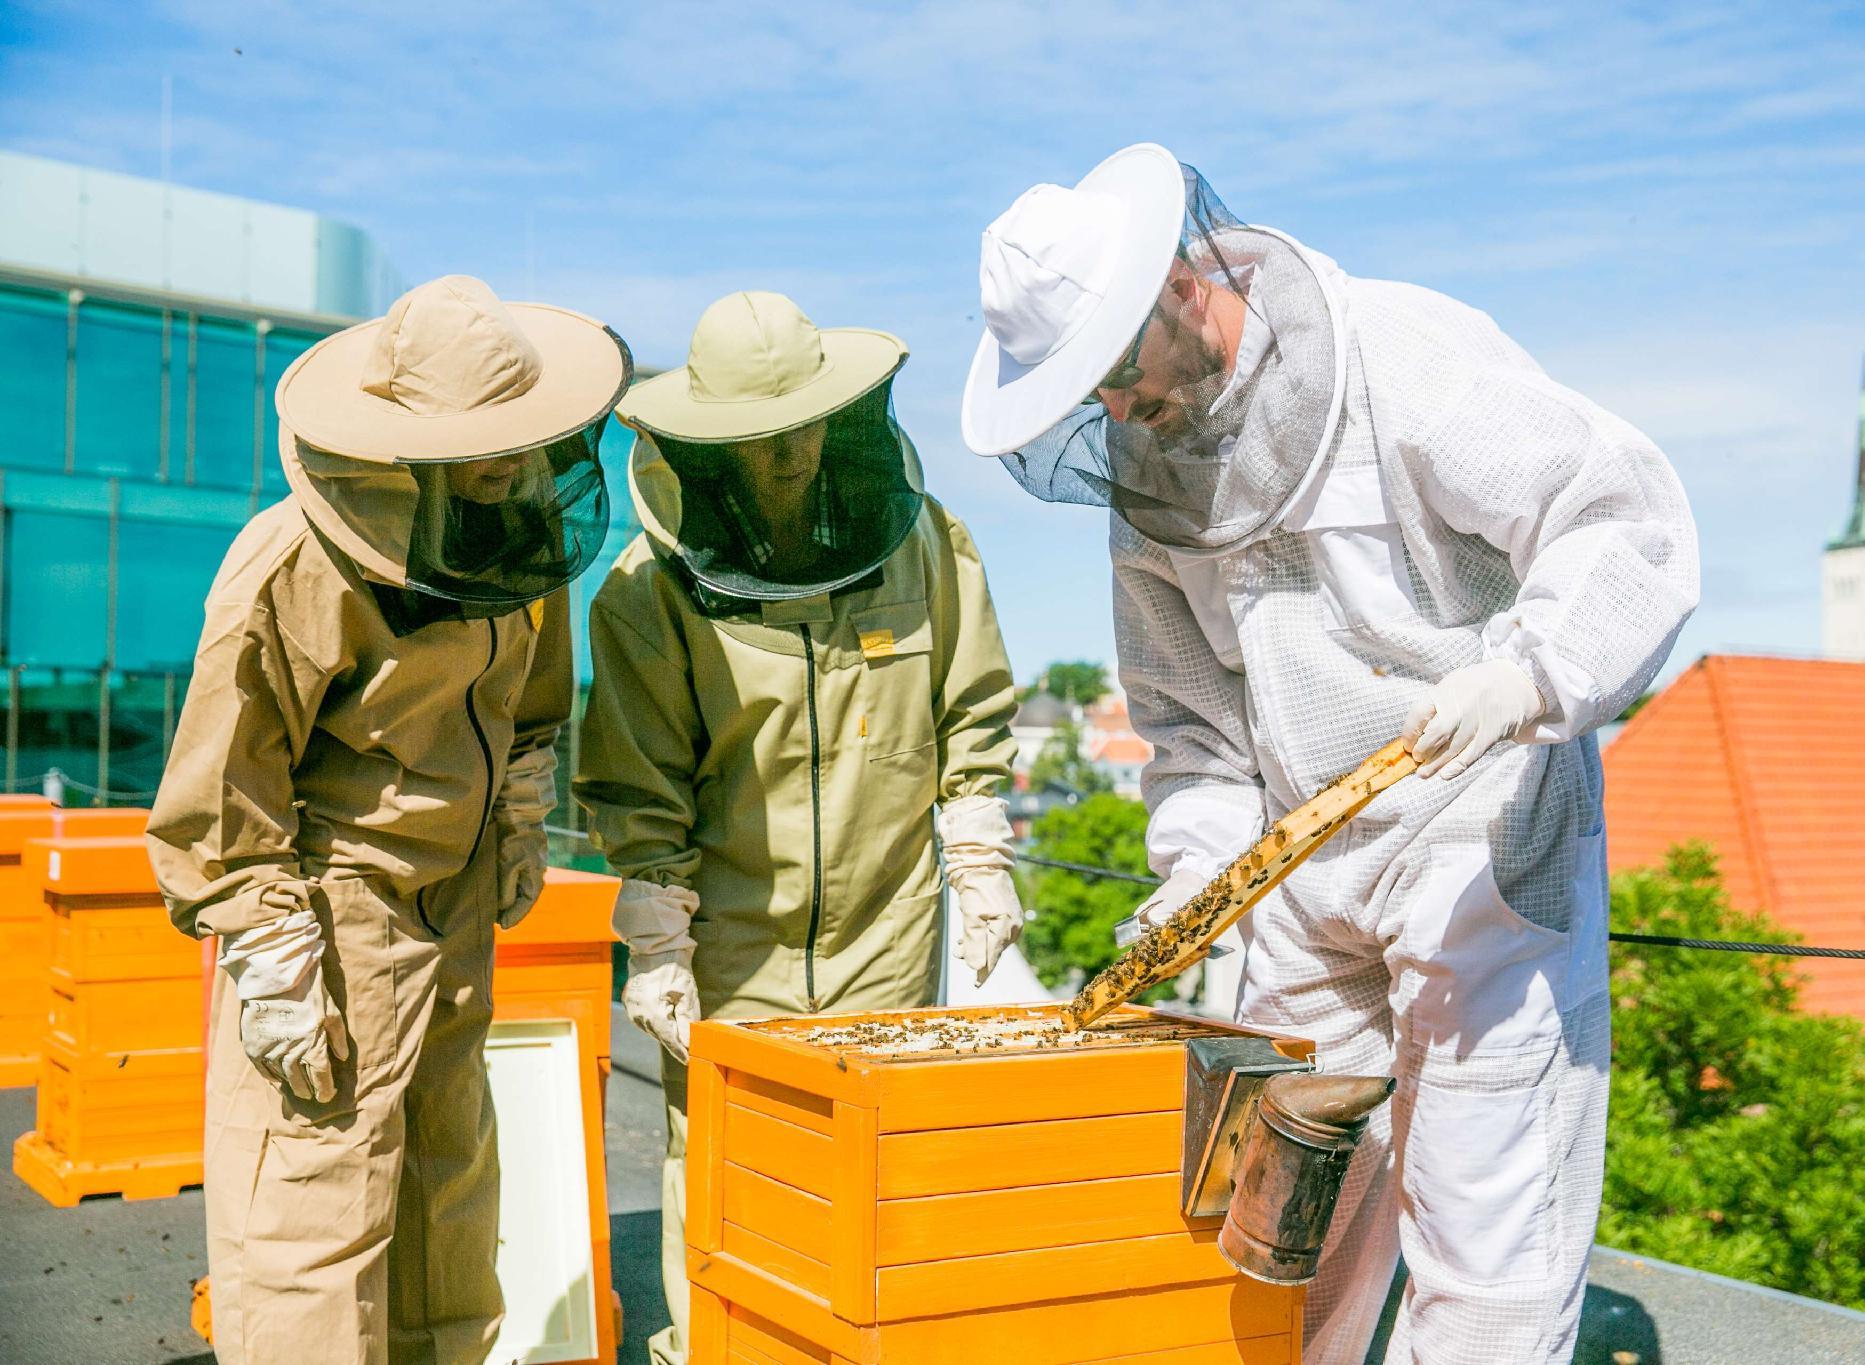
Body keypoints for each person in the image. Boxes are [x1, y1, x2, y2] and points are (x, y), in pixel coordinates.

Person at [961, 144, 1699, 1365]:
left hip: (1482, 841)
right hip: (1297, 870)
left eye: (1110, 373)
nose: (1110, 410)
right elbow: (1190, 722)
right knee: (1273, 1224)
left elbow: (1616, 512)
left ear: (1181, 292)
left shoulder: (1407, 360)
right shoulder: (1152, 477)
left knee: (1482, 1239)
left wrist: (1528, 674)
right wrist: (1198, 880)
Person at [147, 275, 630, 1365]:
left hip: (452, 901)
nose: (511, 471)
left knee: (444, 1183)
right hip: (331, 909)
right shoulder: (288, 564)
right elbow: (217, 796)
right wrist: (271, 949)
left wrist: (514, 806)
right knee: (313, 1205)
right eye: (486, 457)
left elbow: (535, 702)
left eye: (519, 448)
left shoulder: (519, 538)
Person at [572, 290, 1021, 1364]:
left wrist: (979, 853)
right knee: (728, 1191)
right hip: (727, 946)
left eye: (804, 428)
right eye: (758, 441)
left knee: (874, 1192)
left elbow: (970, 709)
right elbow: (641, 786)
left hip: (888, 934)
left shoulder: (926, 549)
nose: (787, 457)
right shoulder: (647, 593)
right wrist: (657, 942)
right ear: (705, 445)